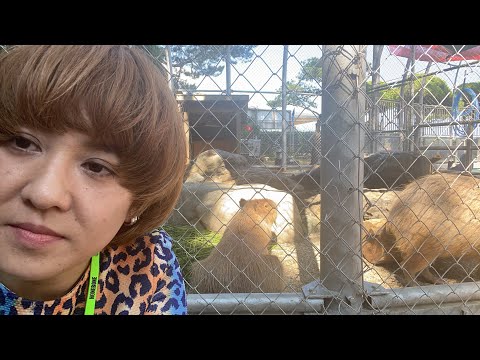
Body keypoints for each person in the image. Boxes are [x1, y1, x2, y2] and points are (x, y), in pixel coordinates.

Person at [0, 45, 187, 315]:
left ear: (137, 203)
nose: (44, 194)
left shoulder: (147, 264)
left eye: (97, 167)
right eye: (22, 142)